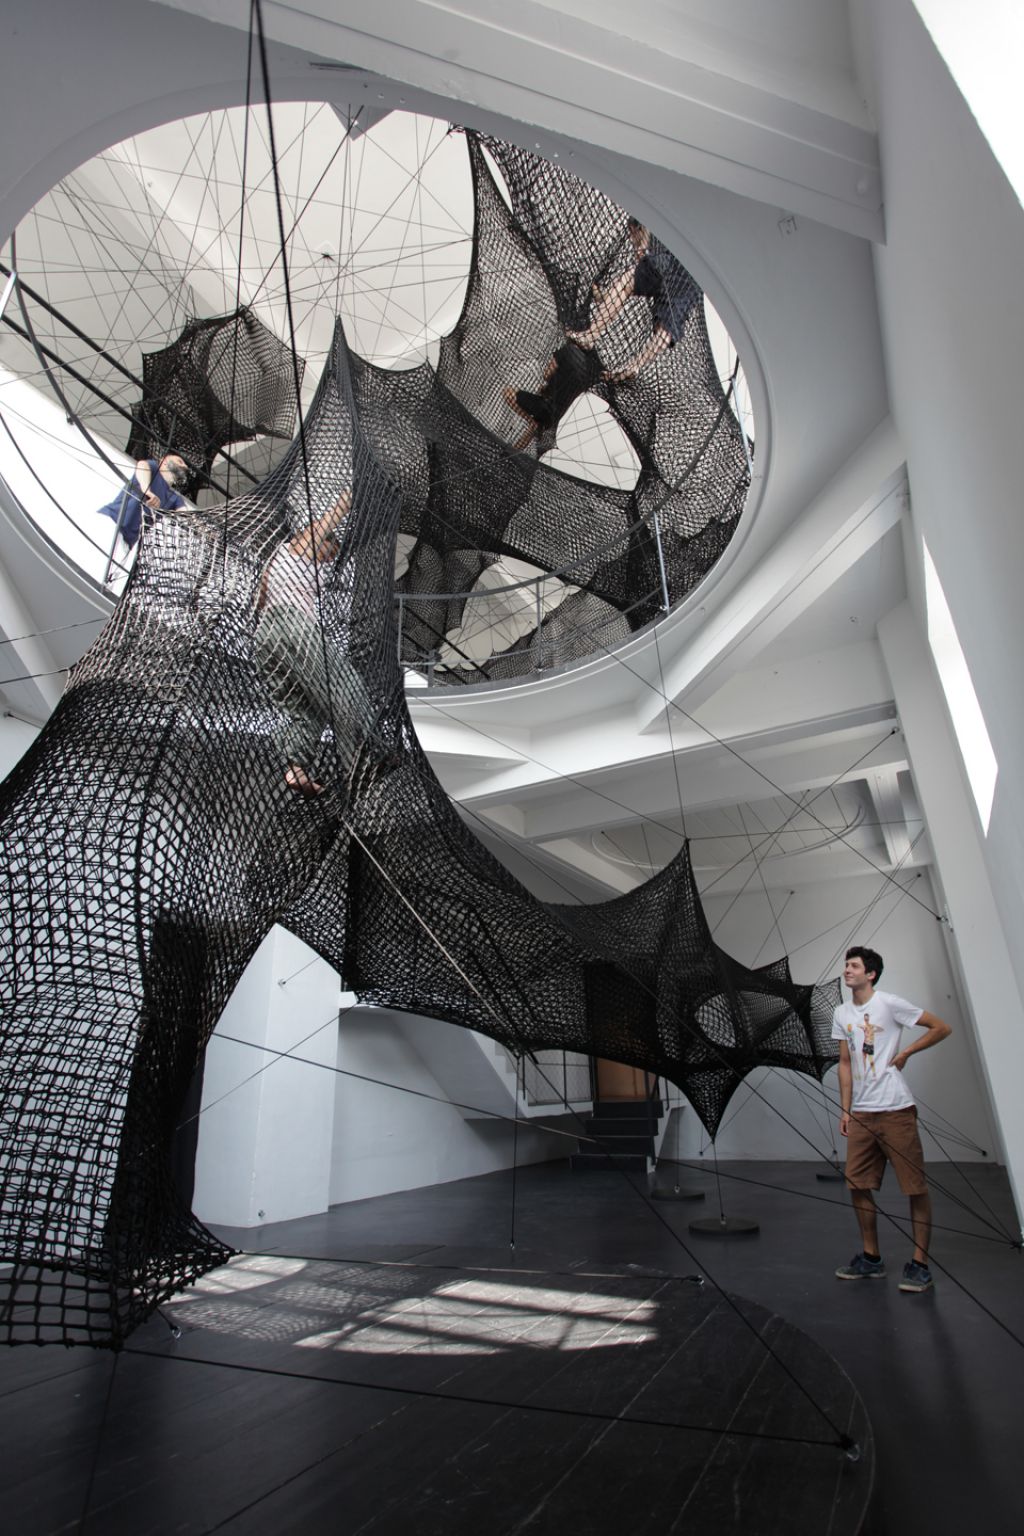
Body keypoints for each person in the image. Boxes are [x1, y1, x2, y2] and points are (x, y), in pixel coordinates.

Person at [832, 945, 952, 1292]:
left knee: (914, 1187)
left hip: (896, 1109)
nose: (847, 970)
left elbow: (940, 1027)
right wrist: (846, 1109)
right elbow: (844, 1063)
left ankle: (919, 1265)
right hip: (862, 1113)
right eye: (846, 965)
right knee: (858, 1185)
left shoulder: (888, 1003)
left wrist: (907, 1052)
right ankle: (871, 1259)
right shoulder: (841, 1012)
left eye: (854, 966)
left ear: (870, 974)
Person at [254, 488, 366, 799]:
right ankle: (368, 757)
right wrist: (349, 497)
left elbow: (261, 601)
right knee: (346, 684)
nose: (330, 558)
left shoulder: (276, 562)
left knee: (307, 712)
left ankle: (296, 769)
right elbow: (328, 521)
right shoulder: (301, 547)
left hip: (265, 640)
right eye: (330, 550)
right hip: (292, 626)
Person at [567, 218, 700, 382]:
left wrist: (642, 246)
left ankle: (591, 335)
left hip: (670, 259)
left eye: (631, 236)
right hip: (693, 280)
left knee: (627, 281)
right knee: (666, 327)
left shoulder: (651, 232)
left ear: (633, 230)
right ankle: (635, 365)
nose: (631, 241)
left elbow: (645, 218)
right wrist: (603, 295)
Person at [503, 338, 602, 451]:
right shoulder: (593, 369)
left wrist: (551, 381)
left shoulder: (568, 350)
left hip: (546, 407)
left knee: (508, 393)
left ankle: (531, 422)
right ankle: (511, 454)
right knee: (533, 430)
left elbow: (546, 374)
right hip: (560, 416)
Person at [95, 454, 190, 550]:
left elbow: (185, 516)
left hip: (127, 542)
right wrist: (146, 490)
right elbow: (142, 465)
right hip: (112, 521)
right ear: (164, 461)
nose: (185, 466)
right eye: (180, 461)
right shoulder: (153, 468)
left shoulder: (175, 498)